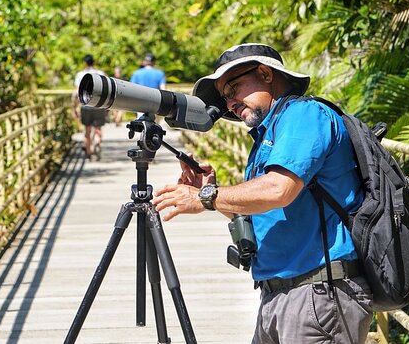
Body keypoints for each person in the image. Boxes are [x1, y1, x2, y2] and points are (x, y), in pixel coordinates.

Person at [152, 43, 372, 343]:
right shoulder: (269, 134)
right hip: (279, 294)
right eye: (225, 97)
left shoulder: (304, 115)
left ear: (266, 74)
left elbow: (278, 190)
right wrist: (210, 191)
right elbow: (261, 207)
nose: (229, 103)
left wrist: (205, 198)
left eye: (233, 88)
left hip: (319, 293)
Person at [73, 54, 107, 160]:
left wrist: (74, 107)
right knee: (98, 128)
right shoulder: (101, 73)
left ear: (85, 63)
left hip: (85, 105)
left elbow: (76, 92)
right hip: (99, 105)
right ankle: (97, 142)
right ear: (94, 62)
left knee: (87, 130)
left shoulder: (80, 75)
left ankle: (89, 152)